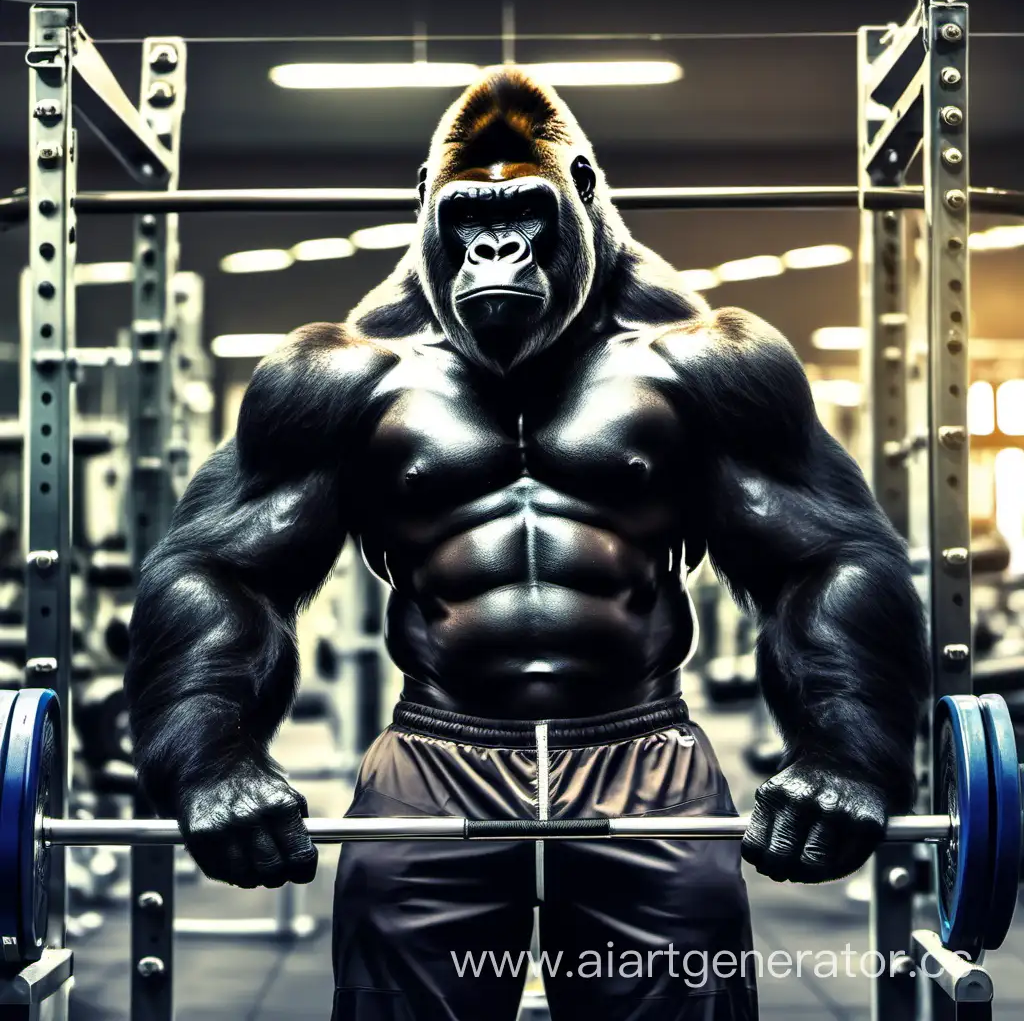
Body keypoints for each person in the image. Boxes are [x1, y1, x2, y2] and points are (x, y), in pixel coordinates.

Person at [125, 67, 930, 1020]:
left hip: (641, 750)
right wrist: (213, 756)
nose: (495, 247)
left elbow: (833, 556)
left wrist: (847, 753)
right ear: (425, 208)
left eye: (523, 213)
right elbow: (215, 567)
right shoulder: (342, 374)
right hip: (436, 750)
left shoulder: (707, 359)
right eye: (468, 217)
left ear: (585, 195)